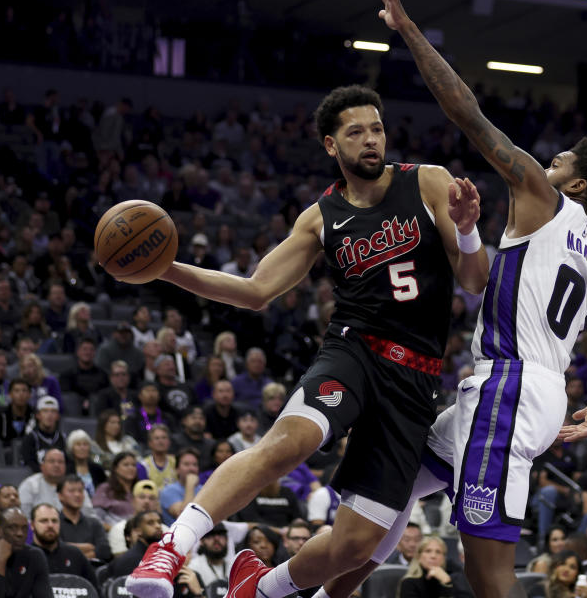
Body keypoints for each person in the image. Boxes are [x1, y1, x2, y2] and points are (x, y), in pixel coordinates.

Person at [313, 0, 587, 598]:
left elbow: (466, 112)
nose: (546, 160)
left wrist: (408, 31)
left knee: (487, 572)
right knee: (389, 499)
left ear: (576, 184)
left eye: (560, 160)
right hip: (531, 396)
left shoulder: (540, 193)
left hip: (508, 387)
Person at [127, 79, 490, 598]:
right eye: (356, 131)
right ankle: (171, 544)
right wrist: (165, 269)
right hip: (354, 351)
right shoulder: (320, 217)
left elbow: (474, 280)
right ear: (331, 145)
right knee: (290, 443)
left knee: (355, 546)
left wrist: (469, 229)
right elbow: (255, 291)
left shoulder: (428, 182)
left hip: (415, 381)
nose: (371, 140)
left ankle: (260, 587)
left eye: (378, 129)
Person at [29, 502, 98, 587]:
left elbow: (95, 590)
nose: (50, 525)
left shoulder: (75, 554)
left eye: (54, 521)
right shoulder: (25, 556)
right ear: (32, 525)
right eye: (44, 521)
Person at [19, 448, 96, 518]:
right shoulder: (29, 485)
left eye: (60, 462)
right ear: (42, 466)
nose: (56, 465)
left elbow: (89, 514)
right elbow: (24, 516)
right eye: (52, 461)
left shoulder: (75, 485)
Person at [57, 474, 111, 563]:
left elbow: (104, 551)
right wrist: (89, 547)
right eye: (71, 491)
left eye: (80, 491)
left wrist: (68, 547)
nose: (77, 495)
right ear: (60, 496)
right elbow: (56, 550)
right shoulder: (54, 522)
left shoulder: (94, 523)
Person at [108, 510, 164, 578]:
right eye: (150, 523)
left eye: (159, 522)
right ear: (138, 531)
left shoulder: (162, 554)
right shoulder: (129, 561)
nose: (158, 526)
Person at [19, 395, 66, 472]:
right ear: (38, 415)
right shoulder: (30, 438)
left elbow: (68, 463)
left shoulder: (63, 438)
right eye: (45, 411)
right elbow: (28, 464)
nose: (49, 415)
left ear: (58, 416)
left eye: (53, 411)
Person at [93, 451, 140, 526]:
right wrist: (113, 530)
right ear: (115, 468)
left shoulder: (140, 488)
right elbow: (96, 517)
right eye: (126, 465)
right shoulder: (105, 489)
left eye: (133, 465)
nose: (131, 468)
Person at [160, 448, 202, 527]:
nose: (191, 468)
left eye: (195, 465)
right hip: (178, 535)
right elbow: (185, 517)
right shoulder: (169, 491)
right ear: (177, 469)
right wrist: (190, 485)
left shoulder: (203, 489)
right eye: (186, 464)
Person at [0, 378, 33, 445]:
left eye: (24, 391)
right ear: (10, 394)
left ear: (30, 395)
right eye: (16, 391)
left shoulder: (34, 415)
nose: (21, 394)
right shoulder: (1, 416)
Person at [65, 429, 106, 496]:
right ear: (72, 449)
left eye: (85, 444)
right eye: (78, 445)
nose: (82, 448)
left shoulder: (97, 469)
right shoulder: (66, 470)